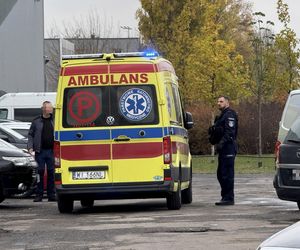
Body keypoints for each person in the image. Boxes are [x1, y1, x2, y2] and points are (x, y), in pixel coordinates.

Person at [209, 96, 238, 206]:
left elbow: (230, 132)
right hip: (223, 149)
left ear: (227, 102)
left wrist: (221, 143)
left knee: (227, 174)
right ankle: (225, 196)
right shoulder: (222, 115)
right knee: (221, 174)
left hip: (228, 147)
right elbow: (219, 131)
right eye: (218, 101)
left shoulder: (230, 114)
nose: (219, 103)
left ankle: (229, 198)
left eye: (221, 101)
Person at [28, 101, 56, 202]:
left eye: (51, 108)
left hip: (51, 151)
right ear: (44, 109)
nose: (51, 109)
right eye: (49, 108)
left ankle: (51, 195)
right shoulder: (36, 121)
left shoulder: (55, 120)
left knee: (51, 172)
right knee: (39, 172)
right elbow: (30, 135)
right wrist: (30, 147)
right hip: (40, 151)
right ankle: (38, 195)